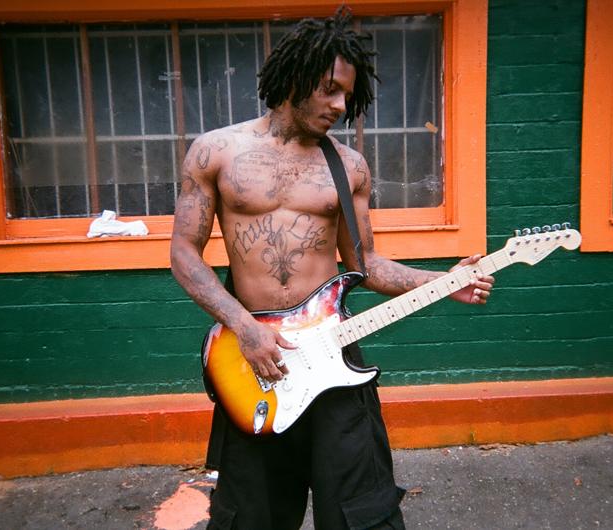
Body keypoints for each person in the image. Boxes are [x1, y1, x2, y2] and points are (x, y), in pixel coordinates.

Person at [170, 7, 494, 529]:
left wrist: (443, 283)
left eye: (347, 94)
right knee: (251, 518)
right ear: (295, 79)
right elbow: (184, 252)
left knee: (361, 514)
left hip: (333, 355)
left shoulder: (348, 167)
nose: (341, 106)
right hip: (255, 362)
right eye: (329, 90)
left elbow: (366, 266)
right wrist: (244, 327)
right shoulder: (216, 152)